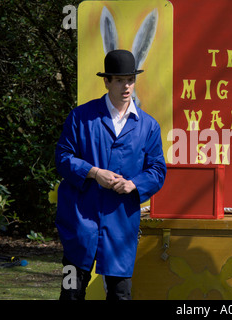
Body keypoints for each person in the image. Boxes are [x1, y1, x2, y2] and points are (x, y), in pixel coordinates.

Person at [55, 49, 166, 300]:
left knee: (120, 294)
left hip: (121, 224)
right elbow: (62, 157)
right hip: (81, 218)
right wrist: (93, 173)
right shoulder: (81, 117)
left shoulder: (148, 126)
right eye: (119, 80)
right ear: (106, 81)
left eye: (130, 79)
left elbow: (157, 169)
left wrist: (133, 184)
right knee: (71, 291)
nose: (126, 86)